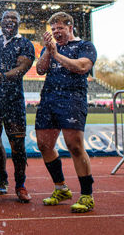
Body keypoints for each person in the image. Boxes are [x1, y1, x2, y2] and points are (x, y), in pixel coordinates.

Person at [35, 12, 97, 213]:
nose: (56, 32)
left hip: (72, 99)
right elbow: (40, 70)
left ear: (70, 28)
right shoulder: (51, 47)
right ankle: (61, 188)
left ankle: (87, 195)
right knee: (44, 145)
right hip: (48, 100)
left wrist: (57, 55)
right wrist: (49, 51)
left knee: (74, 145)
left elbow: (81, 67)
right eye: (53, 29)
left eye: (60, 28)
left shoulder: (84, 46)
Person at [0, 10, 35, 206]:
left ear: (19, 23)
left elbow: (22, 68)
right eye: (5, 19)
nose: (9, 22)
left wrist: (2, 76)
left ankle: (20, 186)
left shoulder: (25, 44)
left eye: (13, 19)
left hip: (13, 101)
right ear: (0, 22)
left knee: (18, 147)